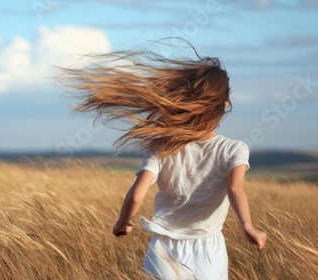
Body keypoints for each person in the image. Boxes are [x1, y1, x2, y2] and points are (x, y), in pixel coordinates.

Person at [58, 40, 267, 279]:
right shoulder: (234, 149)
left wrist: (122, 223)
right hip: (209, 251)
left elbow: (137, 194)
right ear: (225, 104)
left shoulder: (162, 147)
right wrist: (248, 226)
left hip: (163, 251)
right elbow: (235, 188)